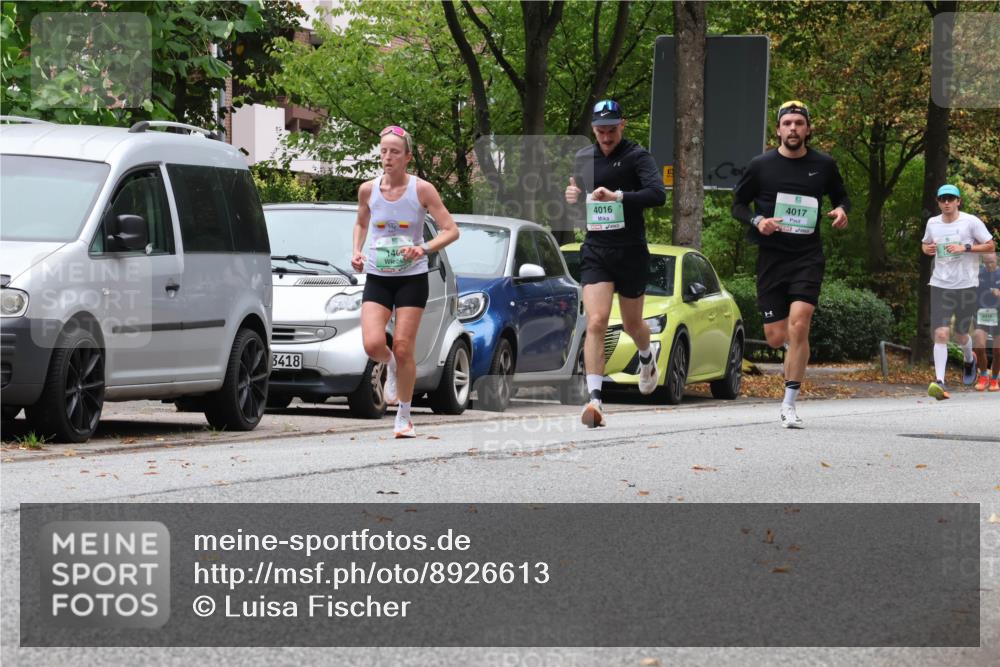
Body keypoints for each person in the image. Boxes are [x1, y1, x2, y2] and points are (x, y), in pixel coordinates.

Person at [731, 100, 850, 429]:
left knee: (800, 324)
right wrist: (757, 221)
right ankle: (792, 348)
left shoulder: (823, 165)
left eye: (799, 123)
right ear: (778, 130)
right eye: (788, 124)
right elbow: (738, 204)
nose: (794, 128)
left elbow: (842, 196)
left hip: (807, 257)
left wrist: (841, 210)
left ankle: (789, 404)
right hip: (772, 257)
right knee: (774, 336)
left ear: (808, 129)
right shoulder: (761, 165)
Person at [351, 125, 459, 438]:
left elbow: (451, 230)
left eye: (395, 151)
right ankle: (392, 367)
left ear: (407, 157)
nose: (387, 157)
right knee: (373, 344)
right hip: (378, 276)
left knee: (402, 346)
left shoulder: (422, 190)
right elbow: (361, 222)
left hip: (412, 278)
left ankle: (404, 416)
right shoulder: (368, 190)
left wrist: (422, 248)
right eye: (383, 151)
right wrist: (356, 250)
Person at [565, 99, 667, 428]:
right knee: (596, 322)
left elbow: (657, 194)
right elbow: (577, 198)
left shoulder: (638, 157)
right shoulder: (584, 157)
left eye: (611, 130)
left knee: (632, 324)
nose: (606, 137)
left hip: (631, 250)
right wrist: (572, 196)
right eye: (600, 131)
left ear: (622, 125)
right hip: (596, 249)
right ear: (592, 129)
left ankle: (646, 356)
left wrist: (619, 196)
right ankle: (595, 400)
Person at [921, 184, 994, 399]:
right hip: (940, 284)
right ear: (938, 201)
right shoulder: (932, 223)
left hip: (966, 286)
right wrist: (928, 249)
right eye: (942, 199)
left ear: (958, 201)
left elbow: (990, 246)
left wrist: (966, 248)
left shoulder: (970, 222)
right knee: (941, 334)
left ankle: (969, 360)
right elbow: (924, 245)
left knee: (962, 335)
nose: (946, 203)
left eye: (950, 199)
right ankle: (940, 382)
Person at [972, 253, 1000, 392]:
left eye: (992, 262)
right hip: (981, 314)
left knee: (998, 350)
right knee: (979, 345)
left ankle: (995, 379)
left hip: (998, 314)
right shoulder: (978, 274)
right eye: (986, 262)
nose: (989, 265)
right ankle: (983, 376)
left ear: (997, 261)